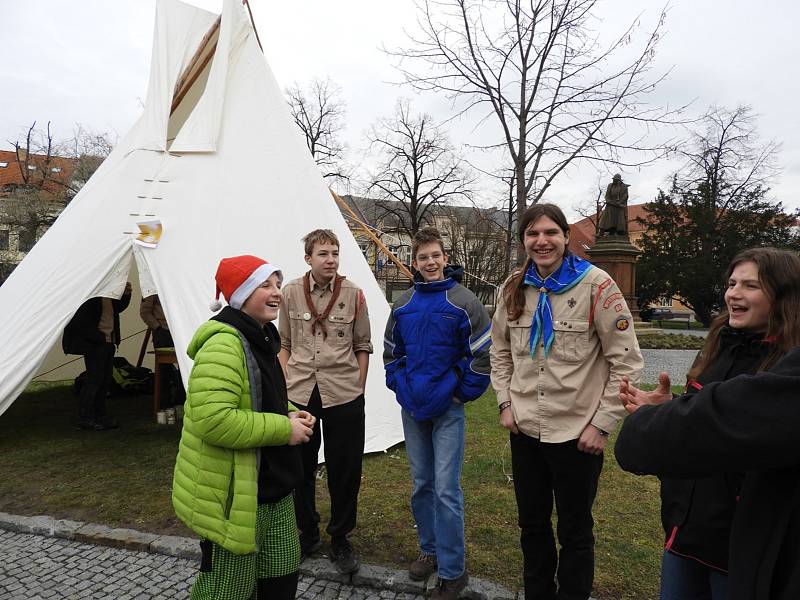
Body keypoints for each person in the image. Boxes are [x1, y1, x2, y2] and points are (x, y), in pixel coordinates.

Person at [616, 247, 800, 600]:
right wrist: (668, 408)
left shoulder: (785, 368)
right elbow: (704, 421)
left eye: (750, 285)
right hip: (684, 534)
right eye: (731, 283)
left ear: (783, 295)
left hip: (738, 549)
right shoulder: (721, 345)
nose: (734, 293)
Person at [490, 203, 643, 600]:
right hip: (526, 429)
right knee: (532, 525)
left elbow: (625, 362)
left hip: (577, 433)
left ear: (565, 237)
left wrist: (602, 424)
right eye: (532, 234)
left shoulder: (598, 286)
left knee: (575, 532)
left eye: (550, 233)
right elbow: (500, 351)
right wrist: (505, 404)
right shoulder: (512, 289)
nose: (541, 242)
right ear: (523, 240)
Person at [172, 254, 315, 600]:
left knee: (279, 584)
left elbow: (259, 398)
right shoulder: (224, 344)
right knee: (227, 591)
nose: (276, 292)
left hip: (276, 490)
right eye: (265, 285)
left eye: (277, 284)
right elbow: (213, 419)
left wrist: (291, 412)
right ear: (241, 293)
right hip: (238, 496)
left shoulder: (261, 337)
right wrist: (284, 429)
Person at [383, 227, 491, 600]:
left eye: (436, 256)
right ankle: (429, 550)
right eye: (423, 257)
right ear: (415, 262)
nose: (430, 263)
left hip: (448, 410)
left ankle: (453, 571)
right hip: (413, 409)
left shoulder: (464, 301)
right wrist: (399, 385)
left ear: (445, 258)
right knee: (422, 485)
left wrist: (461, 393)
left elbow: (483, 354)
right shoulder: (403, 303)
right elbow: (390, 352)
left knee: (446, 490)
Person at [278, 229, 372, 574]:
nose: (330, 259)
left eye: (334, 253)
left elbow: (363, 344)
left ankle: (340, 538)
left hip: (343, 392)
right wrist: (286, 381)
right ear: (308, 259)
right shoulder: (289, 292)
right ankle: (306, 531)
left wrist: (358, 386)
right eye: (323, 254)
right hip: (301, 391)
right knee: (299, 466)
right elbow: (284, 343)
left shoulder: (354, 293)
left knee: (344, 469)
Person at [62, 282, 132, 430]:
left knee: (104, 380)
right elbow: (80, 321)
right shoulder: (90, 296)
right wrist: (99, 338)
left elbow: (117, 309)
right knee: (94, 380)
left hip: (106, 342)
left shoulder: (108, 295)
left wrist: (126, 295)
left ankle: (99, 415)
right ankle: (86, 417)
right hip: (95, 344)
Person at [140, 293, 184, 407]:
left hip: (179, 329)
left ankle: (181, 399)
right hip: (163, 331)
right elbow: (145, 311)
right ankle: (164, 403)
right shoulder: (152, 285)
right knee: (164, 370)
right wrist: (157, 327)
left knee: (183, 366)